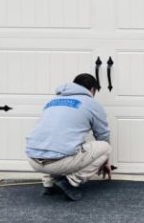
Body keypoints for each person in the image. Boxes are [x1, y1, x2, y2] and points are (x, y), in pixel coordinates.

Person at [25, 73, 112, 201]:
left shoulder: (53, 101)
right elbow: (102, 134)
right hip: (58, 162)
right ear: (93, 89)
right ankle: (70, 182)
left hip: (32, 159)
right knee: (105, 147)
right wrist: (105, 161)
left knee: (57, 141)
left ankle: (49, 184)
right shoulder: (92, 103)